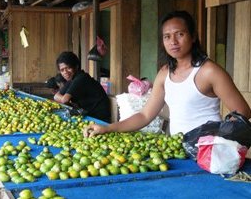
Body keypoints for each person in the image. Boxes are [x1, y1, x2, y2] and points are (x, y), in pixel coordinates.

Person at [84, 10, 251, 138]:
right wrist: (108, 128)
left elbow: (243, 111)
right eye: (167, 36)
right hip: (181, 149)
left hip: (208, 152)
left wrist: (217, 138)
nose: (173, 42)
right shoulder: (165, 74)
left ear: (193, 37)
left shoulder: (209, 71)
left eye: (180, 34)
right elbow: (145, 115)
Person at [54, 51, 111, 122]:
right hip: (89, 115)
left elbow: (65, 100)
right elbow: (56, 96)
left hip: (99, 119)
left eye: (68, 68)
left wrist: (66, 100)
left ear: (76, 66)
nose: (65, 72)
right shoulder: (72, 79)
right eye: (62, 70)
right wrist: (66, 100)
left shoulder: (81, 78)